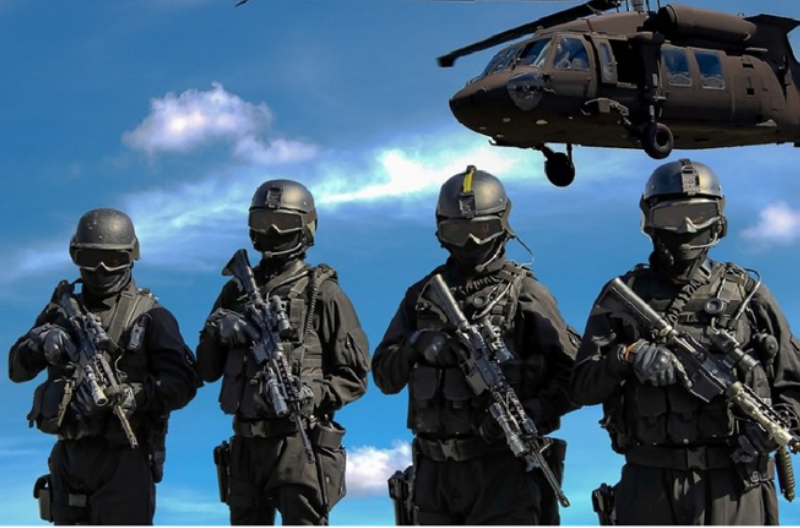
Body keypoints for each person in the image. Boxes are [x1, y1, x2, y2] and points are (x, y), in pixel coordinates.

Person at [570, 158, 800, 525]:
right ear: (649, 221)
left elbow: (793, 384)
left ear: (718, 220)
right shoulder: (623, 295)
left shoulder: (749, 295)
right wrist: (626, 355)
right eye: (672, 216)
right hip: (648, 482)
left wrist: (773, 432)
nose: (687, 227)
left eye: (698, 214)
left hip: (734, 481)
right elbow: (580, 388)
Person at [373, 165, 579, 525]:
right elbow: (384, 376)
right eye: (458, 231)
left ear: (502, 225)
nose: (471, 242)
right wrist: (416, 343)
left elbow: (577, 376)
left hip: (503, 469)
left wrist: (534, 411)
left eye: (481, 229)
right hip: (433, 475)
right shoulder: (421, 296)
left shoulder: (526, 292)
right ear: (440, 231)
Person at [8, 208, 199, 525]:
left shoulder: (151, 316)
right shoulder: (61, 311)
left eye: (111, 260)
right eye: (90, 258)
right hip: (69, 457)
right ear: (75, 256)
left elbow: (182, 384)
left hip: (124, 458)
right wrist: (40, 342)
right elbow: (16, 371)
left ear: (131, 257)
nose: (100, 270)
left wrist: (130, 396)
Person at [196, 179, 370, 526]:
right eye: (262, 223)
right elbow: (205, 370)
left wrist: (314, 393)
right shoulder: (234, 291)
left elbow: (355, 376)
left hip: (298, 442)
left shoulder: (325, 294)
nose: (273, 232)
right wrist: (218, 329)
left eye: (284, 224)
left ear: (306, 228)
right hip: (245, 445)